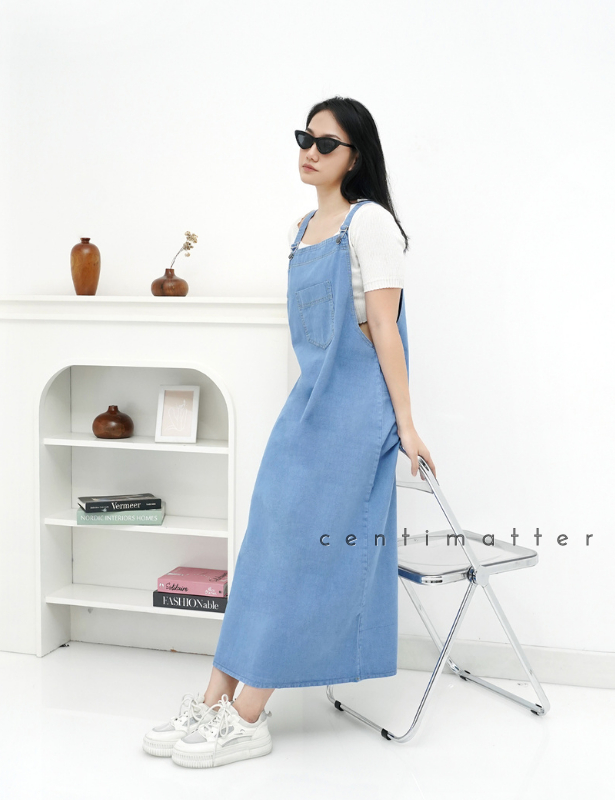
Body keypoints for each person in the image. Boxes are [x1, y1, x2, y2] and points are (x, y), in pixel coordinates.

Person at [143, 96, 436, 769]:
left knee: (303, 559)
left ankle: (249, 715)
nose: (310, 151)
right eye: (305, 137)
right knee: (266, 551)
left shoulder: (372, 225)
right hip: (309, 407)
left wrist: (406, 425)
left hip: (357, 415)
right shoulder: (302, 228)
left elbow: (384, 329)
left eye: (327, 143)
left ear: (354, 157)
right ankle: (214, 700)